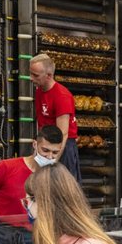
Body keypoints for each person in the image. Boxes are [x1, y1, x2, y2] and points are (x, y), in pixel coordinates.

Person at [28, 55, 81, 183]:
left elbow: (63, 133)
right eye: (31, 73)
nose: (31, 78)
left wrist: (53, 160)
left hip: (62, 146)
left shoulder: (62, 96)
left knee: (64, 186)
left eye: (35, 75)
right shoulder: (39, 91)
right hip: (46, 142)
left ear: (49, 75)